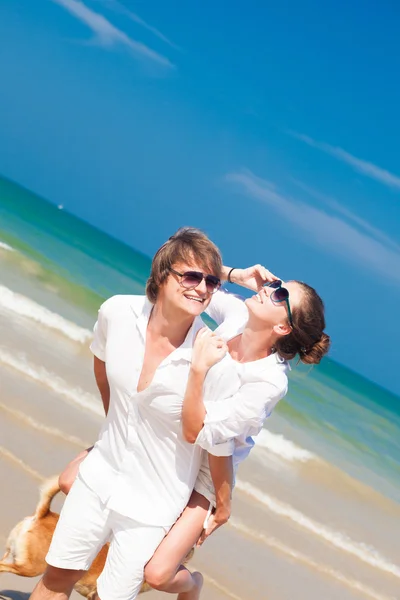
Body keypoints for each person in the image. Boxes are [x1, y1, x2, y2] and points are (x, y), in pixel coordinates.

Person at [57, 263, 330, 599]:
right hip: (165, 436)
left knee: (156, 574)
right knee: (69, 481)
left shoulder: (269, 381)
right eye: (276, 284)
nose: (268, 290)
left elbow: (211, 439)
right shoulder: (235, 317)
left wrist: (223, 504)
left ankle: (192, 585)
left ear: (284, 327)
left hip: (209, 468)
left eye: (281, 294)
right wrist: (234, 275)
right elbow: (191, 277)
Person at [30, 227, 234, 600]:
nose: (202, 288)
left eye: (211, 281)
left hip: (153, 504)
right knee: (57, 576)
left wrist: (210, 506)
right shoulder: (117, 312)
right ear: (161, 276)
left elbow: (212, 444)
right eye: (191, 276)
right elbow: (102, 367)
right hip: (100, 476)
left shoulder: (215, 361)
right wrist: (111, 432)